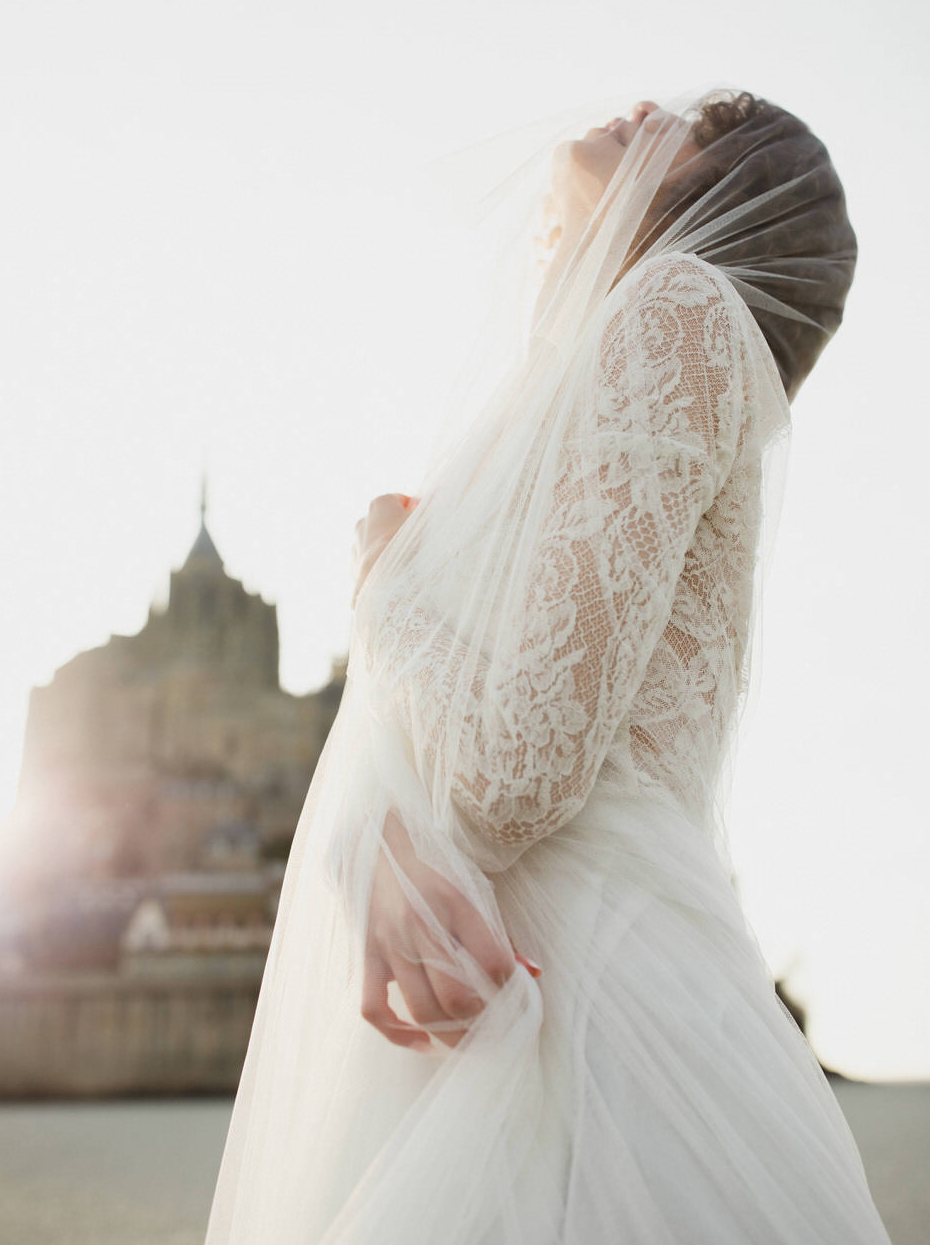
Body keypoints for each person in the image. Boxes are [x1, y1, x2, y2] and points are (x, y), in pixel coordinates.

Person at [204, 87, 893, 1243]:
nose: (643, 103)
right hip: (525, 1006)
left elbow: (511, 771)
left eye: (696, 121)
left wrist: (379, 581)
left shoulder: (677, 305)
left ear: (721, 198)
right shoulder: (592, 373)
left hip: (596, 1030)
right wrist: (359, 845)